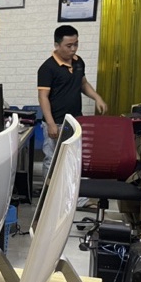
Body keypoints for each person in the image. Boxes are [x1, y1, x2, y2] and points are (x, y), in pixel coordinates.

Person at [37, 24, 108, 174]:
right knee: (52, 160)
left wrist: (97, 98)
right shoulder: (47, 68)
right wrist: (50, 124)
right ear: (57, 45)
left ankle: (70, 188)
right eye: (69, 46)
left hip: (75, 120)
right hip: (56, 121)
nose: (73, 49)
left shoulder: (78, 62)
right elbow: (43, 97)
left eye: (76, 44)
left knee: (73, 158)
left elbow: (83, 84)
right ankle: (48, 189)